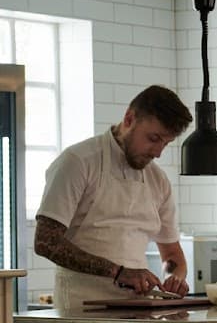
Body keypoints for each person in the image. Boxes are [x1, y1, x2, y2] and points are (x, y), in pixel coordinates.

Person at [34, 85, 193, 310]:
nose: (157, 152)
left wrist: (174, 277)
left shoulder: (158, 180)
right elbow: (45, 242)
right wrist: (117, 272)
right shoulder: (78, 162)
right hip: (80, 310)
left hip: (139, 310)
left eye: (164, 144)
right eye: (153, 138)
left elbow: (171, 254)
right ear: (129, 119)